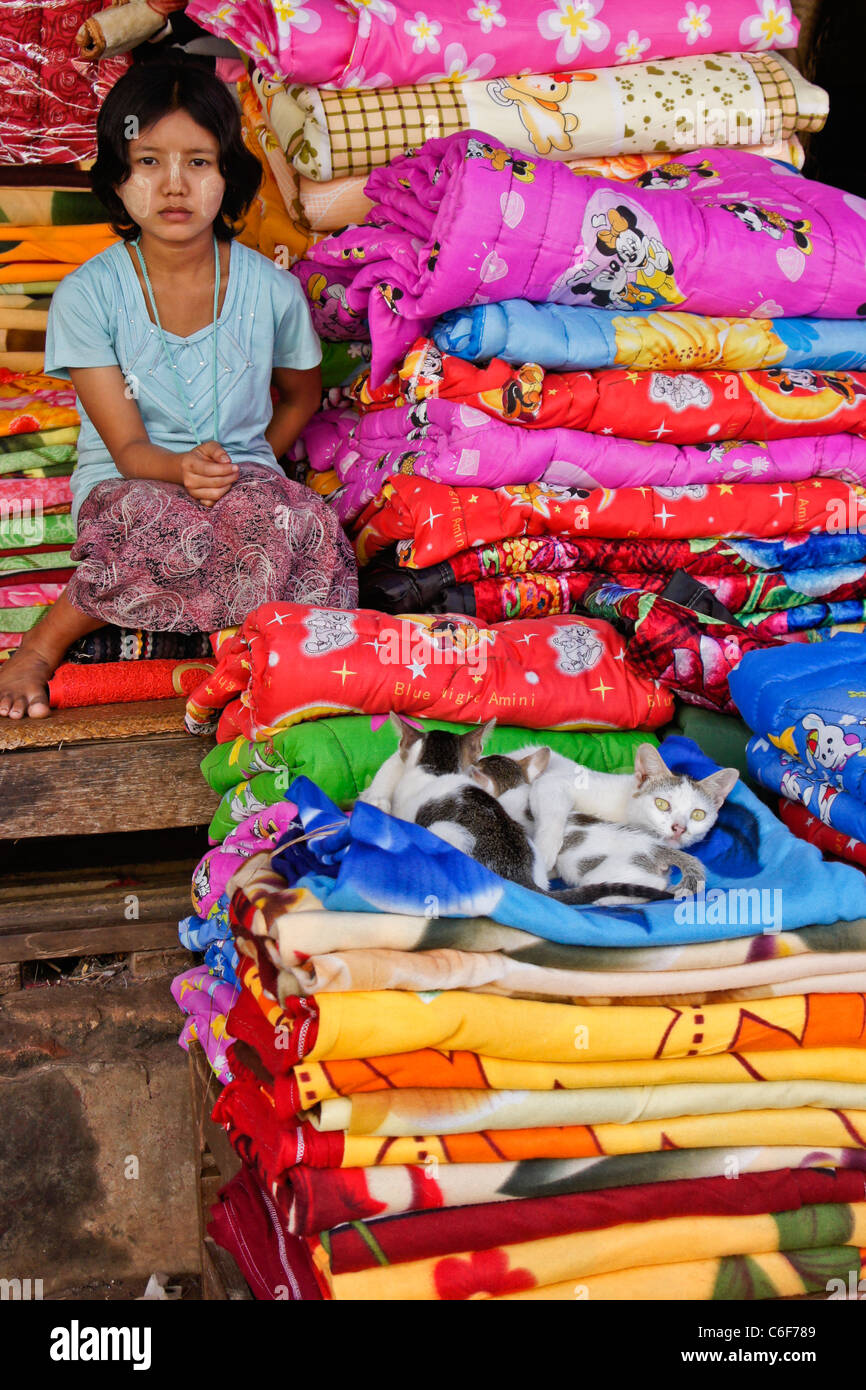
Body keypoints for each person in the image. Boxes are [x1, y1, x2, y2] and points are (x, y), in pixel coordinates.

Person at [0, 58, 357, 720]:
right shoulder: (90, 295)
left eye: (198, 162)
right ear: (116, 177)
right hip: (132, 486)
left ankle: (275, 667)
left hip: (238, 483)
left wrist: (250, 466)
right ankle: (42, 647)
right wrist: (185, 473)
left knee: (307, 524)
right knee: (164, 526)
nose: (173, 184)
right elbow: (129, 445)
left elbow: (301, 398)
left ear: (230, 176)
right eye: (147, 162)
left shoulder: (273, 292)